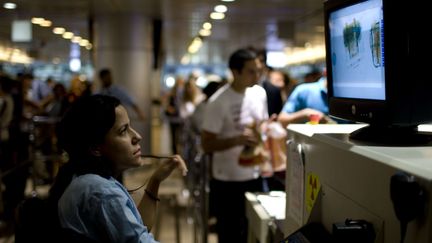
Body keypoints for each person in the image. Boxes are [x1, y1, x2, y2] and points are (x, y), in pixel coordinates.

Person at [45, 94, 187, 242]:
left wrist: (155, 180)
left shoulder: (84, 179)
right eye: (123, 131)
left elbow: (135, 229)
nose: (137, 136)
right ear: (95, 147)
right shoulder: (101, 191)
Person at [201, 48, 268, 243]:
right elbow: (206, 145)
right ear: (235, 72)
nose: (257, 75)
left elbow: (260, 126)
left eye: (258, 70)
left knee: (253, 232)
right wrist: (236, 140)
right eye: (251, 71)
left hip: (254, 173)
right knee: (229, 233)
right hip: (227, 179)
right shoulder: (218, 102)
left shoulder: (259, 93)